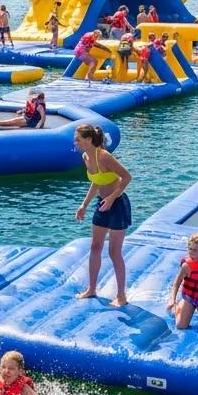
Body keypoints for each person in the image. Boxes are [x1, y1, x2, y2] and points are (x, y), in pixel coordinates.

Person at [75, 123, 131, 306]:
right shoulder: (86, 157)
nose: (75, 143)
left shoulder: (104, 157)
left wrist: (112, 198)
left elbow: (126, 177)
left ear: (89, 140)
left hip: (118, 205)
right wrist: (84, 205)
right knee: (95, 246)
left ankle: (121, 296)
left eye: (78, 139)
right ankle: (92, 289)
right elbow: (97, 182)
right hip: (102, 204)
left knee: (114, 252)